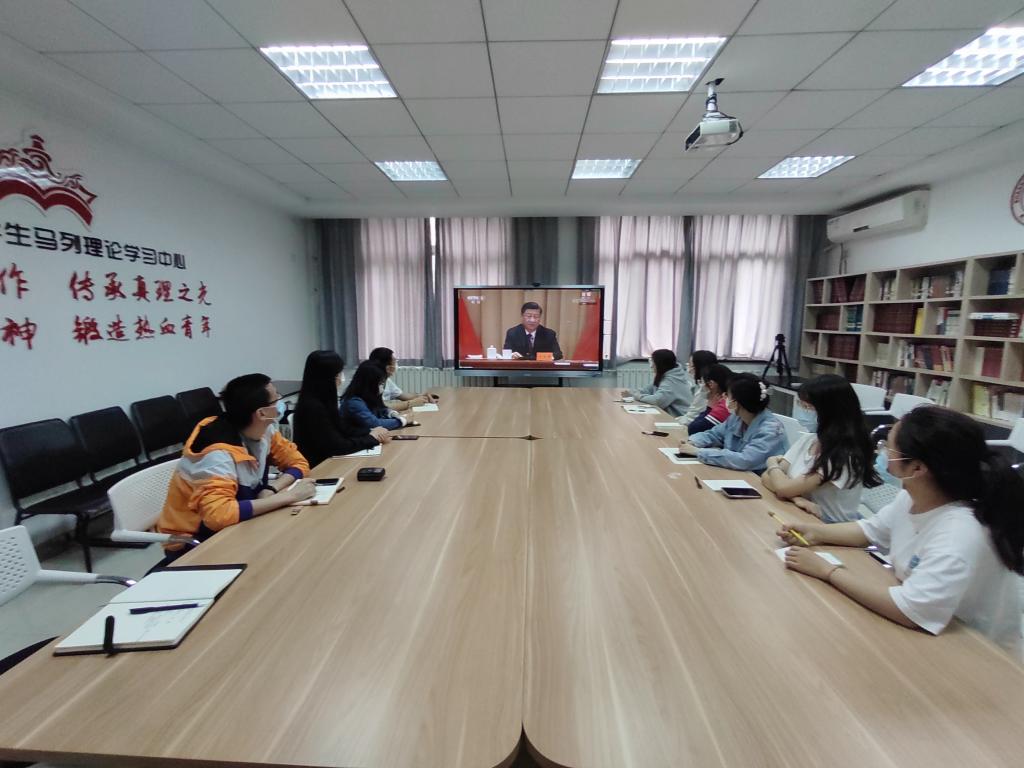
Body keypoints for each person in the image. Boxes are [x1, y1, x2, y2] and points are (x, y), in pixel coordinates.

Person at [778, 406, 1024, 655]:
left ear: (917, 468)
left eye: (889, 448)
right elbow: (870, 530)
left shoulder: (958, 534)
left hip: (978, 651)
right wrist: (814, 532)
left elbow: (910, 610)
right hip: (934, 626)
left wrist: (828, 571)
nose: (882, 451)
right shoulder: (913, 497)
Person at [158, 374, 315, 556]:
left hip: (240, 522)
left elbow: (298, 463)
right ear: (261, 413)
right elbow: (217, 516)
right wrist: (290, 496)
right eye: (276, 399)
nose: (280, 401)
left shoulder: (264, 430)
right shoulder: (216, 454)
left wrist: (272, 489)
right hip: (195, 543)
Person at [761, 374, 881, 523]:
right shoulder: (809, 440)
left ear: (830, 411)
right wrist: (796, 498)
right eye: (802, 405)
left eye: (808, 407)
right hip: (800, 516)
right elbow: (767, 478)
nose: (803, 411)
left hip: (830, 528)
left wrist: (772, 463)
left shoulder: (843, 455)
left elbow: (782, 487)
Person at [293, 351, 392, 467]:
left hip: (331, 461)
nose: (341, 377)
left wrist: (370, 432)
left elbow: (342, 428)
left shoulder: (324, 399)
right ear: (328, 377)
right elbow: (337, 446)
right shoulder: (312, 407)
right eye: (339, 373)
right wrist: (372, 438)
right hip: (319, 467)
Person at [677, 372, 787, 472]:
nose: (724, 397)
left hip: (759, 480)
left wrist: (698, 452)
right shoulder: (737, 418)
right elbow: (714, 434)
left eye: (727, 395)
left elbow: (745, 460)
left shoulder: (771, 430)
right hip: (736, 473)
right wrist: (693, 442)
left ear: (736, 403)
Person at [339, 360, 418, 433]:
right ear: (369, 384)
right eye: (380, 383)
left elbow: (380, 409)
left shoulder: (368, 396)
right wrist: (402, 420)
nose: (382, 387)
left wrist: (393, 414)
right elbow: (375, 424)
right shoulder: (353, 402)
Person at [620, 349, 693, 417]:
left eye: (653, 363)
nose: (651, 366)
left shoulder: (673, 380)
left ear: (660, 364)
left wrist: (636, 396)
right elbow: (647, 390)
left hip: (678, 419)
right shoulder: (666, 375)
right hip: (669, 416)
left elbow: (656, 401)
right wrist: (632, 393)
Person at [367, 346, 438, 412]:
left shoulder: (387, 381)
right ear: (387, 367)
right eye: (395, 362)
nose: (396, 365)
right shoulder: (370, 382)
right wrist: (410, 403)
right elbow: (381, 407)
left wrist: (421, 396)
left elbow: (404, 396)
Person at [684, 362, 732, 436]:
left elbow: (693, 429)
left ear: (711, 384)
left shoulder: (725, 404)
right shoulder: (723, 400)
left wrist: (709, 408)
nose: (700, 386)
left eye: (701, 382)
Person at [677, 350, 717, 426]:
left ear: (699, 367)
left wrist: (674, 422)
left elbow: (692, 417)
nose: (688, 369)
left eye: (691, 365)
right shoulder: (702, 385)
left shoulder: (706, 390)